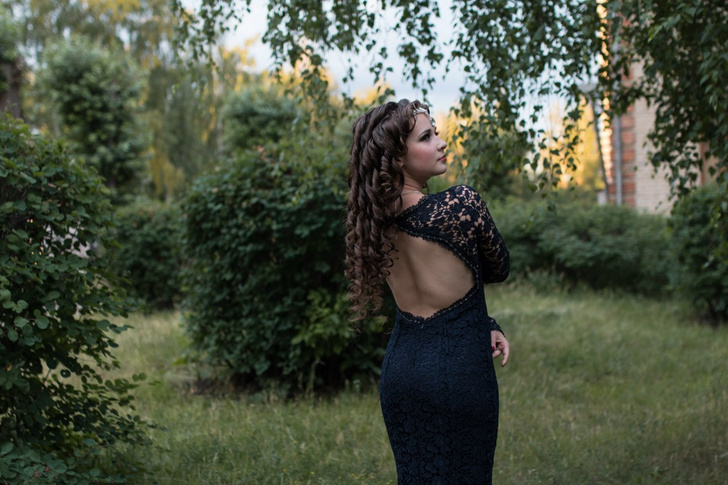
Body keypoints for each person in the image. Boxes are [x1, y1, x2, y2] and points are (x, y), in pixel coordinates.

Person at [344, 99, 511, 484]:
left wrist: (484, 323)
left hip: (402, 372)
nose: (441, 142)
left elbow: (439, 298)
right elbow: (498, 268)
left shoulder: (375, 225)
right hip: (461, 371)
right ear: (397, 157)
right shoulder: (461, 204)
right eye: (426, 136)